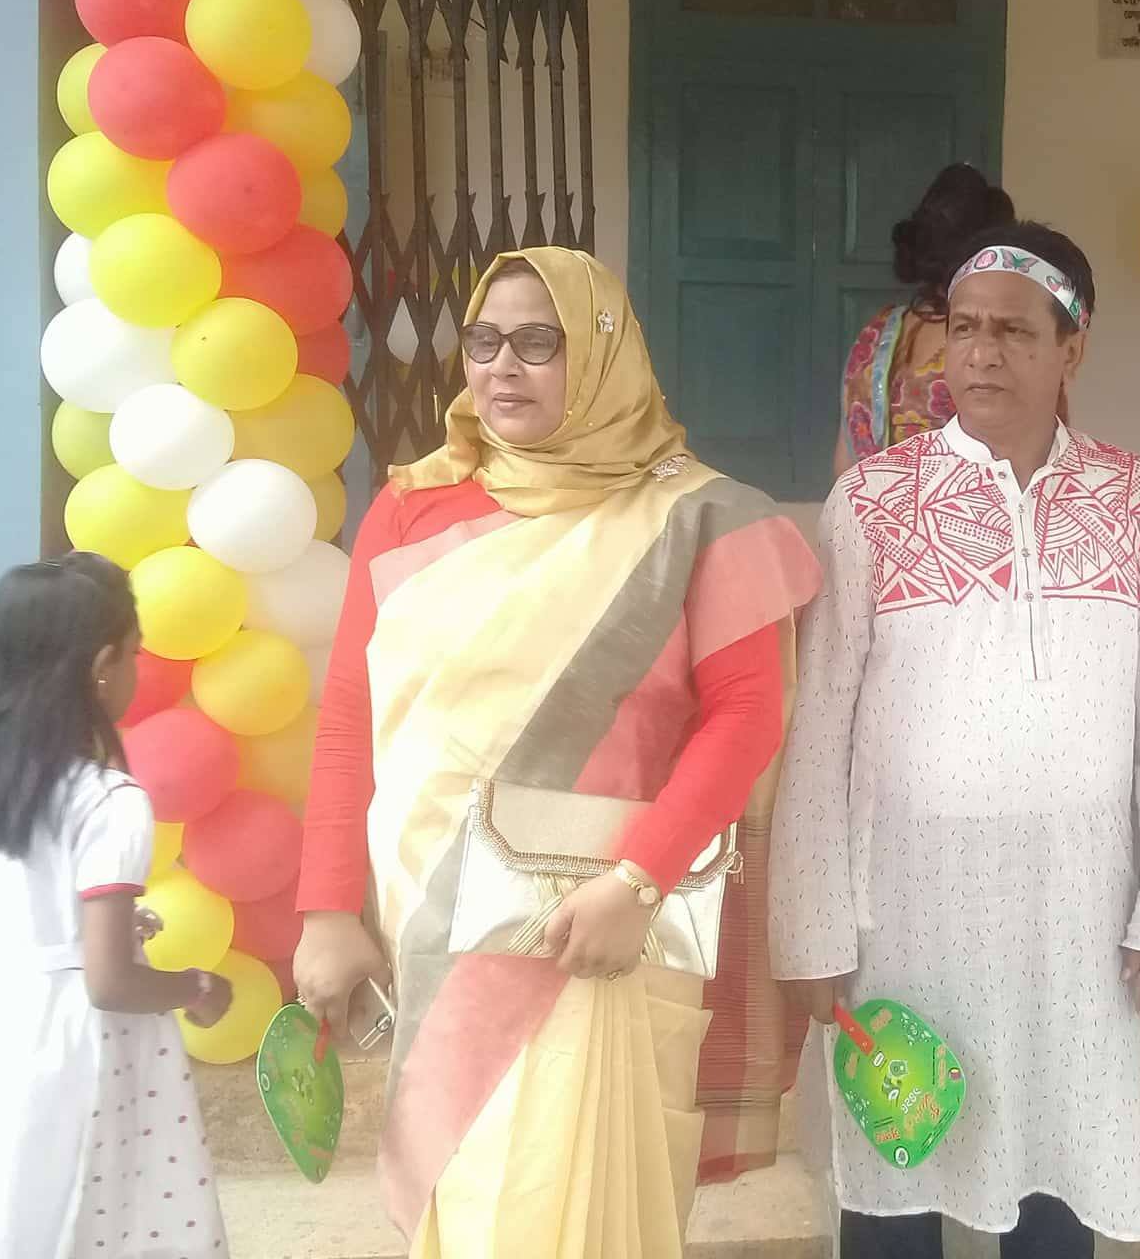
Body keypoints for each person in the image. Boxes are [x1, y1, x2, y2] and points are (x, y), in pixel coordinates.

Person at [291, 248, 822, 1256]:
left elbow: (747, 717)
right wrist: (325, 908)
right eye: (484, 340)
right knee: (466, 1189)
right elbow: (350, 713)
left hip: (601, 924)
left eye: (541, 342)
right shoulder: (411, 507)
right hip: (429, 913)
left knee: (567, 1197)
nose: (503, 365)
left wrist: (638, 881)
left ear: (604, 352)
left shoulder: (702, 516)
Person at [774, 221, 1140, 1257]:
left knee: (1058, 1176)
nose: (980, 352)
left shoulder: (1132, 501)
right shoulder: (872, 503)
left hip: (1075, 917)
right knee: (896, 1177)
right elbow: (821, 724)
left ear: (1072, 348)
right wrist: (811, 928)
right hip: (905, 917)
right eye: (966, 327)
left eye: (1015, 331)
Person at [0, 554, 234, 1257]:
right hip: (71, 1052)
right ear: (103, 664)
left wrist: (71, 932)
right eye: (135, 654)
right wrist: (198, 987)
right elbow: (110, 983)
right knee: (89, 1219)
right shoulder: (110, 802)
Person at [836, 164, 1016, 475]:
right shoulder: (999, 344)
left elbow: (844, 465)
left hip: (869, 503)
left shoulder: (875, 333)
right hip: (962, 506)